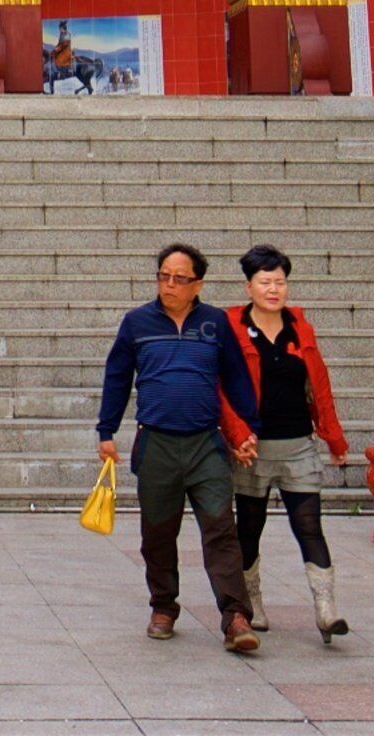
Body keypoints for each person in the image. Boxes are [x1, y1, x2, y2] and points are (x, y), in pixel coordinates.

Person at [96, 242, 263, 652]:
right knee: (157, 532)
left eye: (179, 279)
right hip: (156, 443)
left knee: (221, 529)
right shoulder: (137, 323)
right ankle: (164, 607)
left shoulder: (216, 324)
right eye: (163, 276)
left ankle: (236, 617)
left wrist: (248, 429)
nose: (169, 285)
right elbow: (117, 377)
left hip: (206, 444)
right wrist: (106, 431)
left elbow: (237, 379)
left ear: (198, 283)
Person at [220, 244, 352, 645]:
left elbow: (321, 386)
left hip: (298, 443)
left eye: (280, 282)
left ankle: (326, 611)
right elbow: (220, 387)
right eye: (265, 282)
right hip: (254, 447)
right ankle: (253, 603)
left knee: (309, 524)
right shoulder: (231, 328)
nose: (273, 289)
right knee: (250, 528)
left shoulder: (301, 330)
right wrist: (237, 434)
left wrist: (333, 436)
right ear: (249, 287)